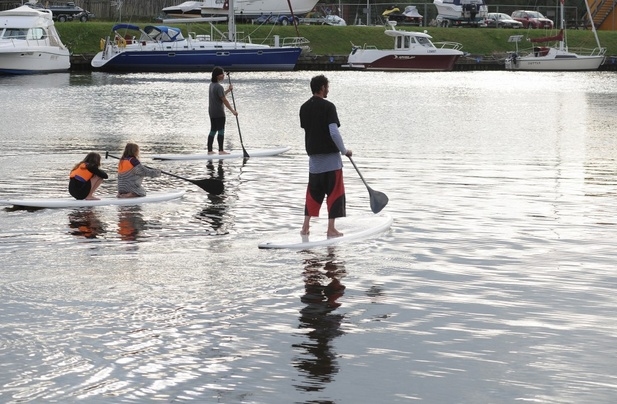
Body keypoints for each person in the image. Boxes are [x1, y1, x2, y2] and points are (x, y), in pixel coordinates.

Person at [299, 75, 352, 238]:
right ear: (322, 87)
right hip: (331, 160)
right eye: (327, 87)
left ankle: (305, 227)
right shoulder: (329, 107)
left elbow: (310, 130)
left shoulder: (304, 107)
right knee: (335, 193)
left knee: (313, 193)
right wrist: (344, 151)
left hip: (314, 161)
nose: (328, 89)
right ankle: (331, 229)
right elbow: (333, 132)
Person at [207, 66, 237, 155]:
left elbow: (219, 95)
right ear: (217, 76)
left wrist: (228, 90)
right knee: (221, 130)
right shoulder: (219, 87)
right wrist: (233, 111)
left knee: (213, 130)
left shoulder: (211, 85)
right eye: (222, 74)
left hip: (212, 112)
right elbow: (224, 100)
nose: (223, 76)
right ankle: (221, 150)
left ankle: (209, 151)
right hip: (219, 112)